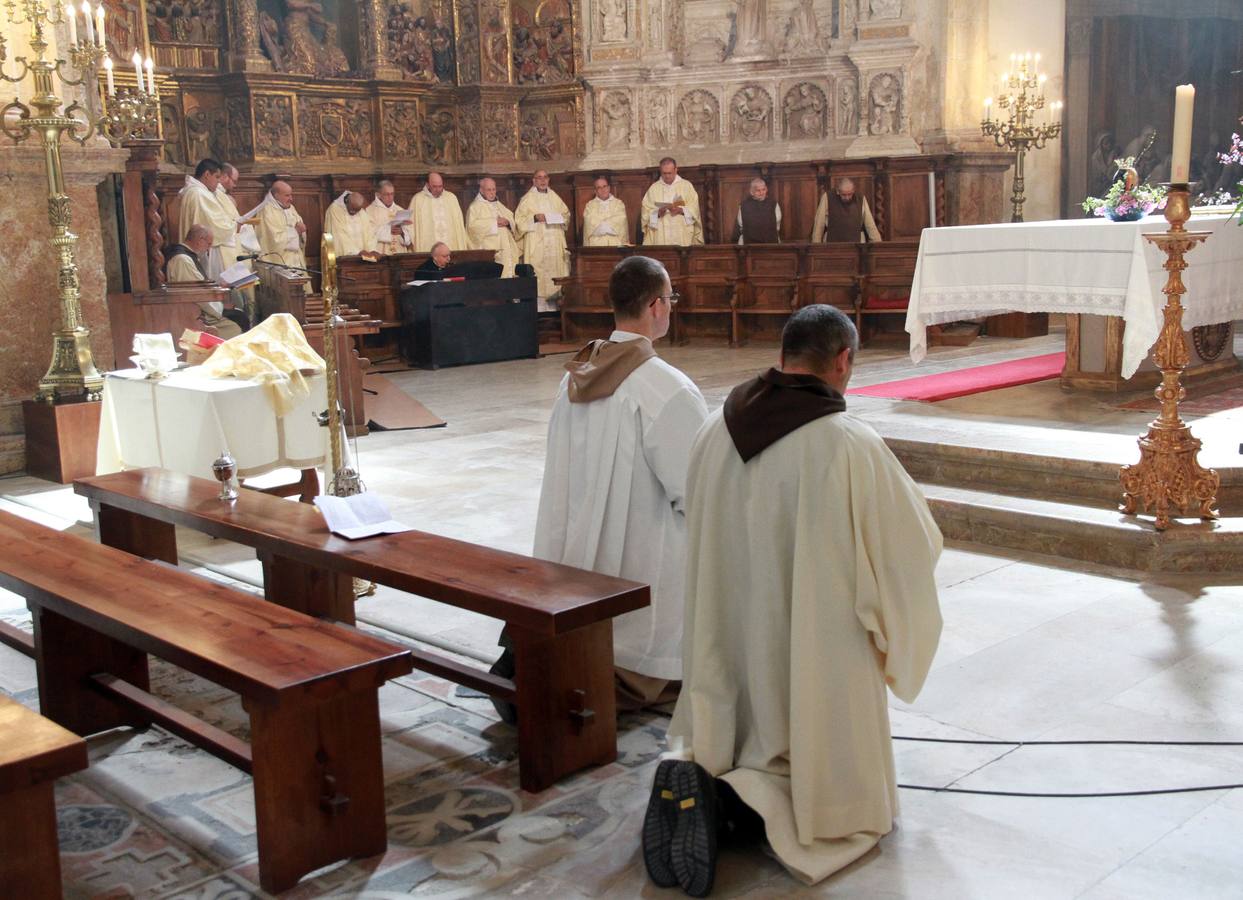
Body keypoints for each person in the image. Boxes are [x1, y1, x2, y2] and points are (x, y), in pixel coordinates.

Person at [644, 305, 941, 896]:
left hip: (728, 636)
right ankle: (768, 799)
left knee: (735, 718)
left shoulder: (714, 427)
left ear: (784, 355)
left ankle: (719, 785)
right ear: (842, 361)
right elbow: (912, 549)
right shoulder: (846, 443)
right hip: (812, 644)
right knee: (814, 728)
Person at [531, 255, 708, 713]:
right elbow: (698, 492)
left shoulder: (573, 377)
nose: (670, 306)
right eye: (670, 299)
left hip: (576, 569)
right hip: (638, 575)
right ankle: (651, 671)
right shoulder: (668, 389)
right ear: (655, 305)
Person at [165, 224, 243, 339]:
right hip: (194, 313)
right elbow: (196, 294)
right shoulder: (183, 260)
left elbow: (199, 285)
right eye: (209, 244)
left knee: (239, 315)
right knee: (235, 327)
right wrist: (221, 309)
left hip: (198, 308)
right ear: (200, 240)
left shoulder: (188, 257)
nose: (208, 248)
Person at [514, 169, 571, 309]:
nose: (543, 180)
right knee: (538, 278)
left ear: (548, 179)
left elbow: (566, 215)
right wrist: (534, 217)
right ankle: (539, 313)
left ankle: (556, 313)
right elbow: (519, 221)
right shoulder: (527, 199)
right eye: (539, 178)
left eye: (545, 177)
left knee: (555, 278)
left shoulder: (555, 197)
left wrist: (556, 218)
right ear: (534, 181)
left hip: (554, 243)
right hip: (536, 244)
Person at [177, 158, 236, 280]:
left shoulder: (192, 191)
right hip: (207, 250)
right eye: (217, 177)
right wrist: (234, 225)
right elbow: (217, 227)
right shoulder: (199, 194)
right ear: (207, 174)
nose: (219, 181)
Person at [641, 158, 703, 246]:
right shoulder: (653, 189)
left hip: (682, 232)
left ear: (676, 170)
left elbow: (694, 208)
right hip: (660, 232)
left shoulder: (686, 186)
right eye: (664, 173)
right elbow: (645, 213)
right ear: (660, 171)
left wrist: (681, 210)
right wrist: (657, 213)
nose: (667, 176)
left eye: (669, 173)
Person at [466, 177, 520, 277]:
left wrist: (507, 222)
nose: (492, 192)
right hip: (492, 251)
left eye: (494, 189)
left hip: (506, 249)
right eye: (488, 190)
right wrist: (494, 223)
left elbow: (511, 219)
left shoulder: (499, 205)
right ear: (481, 190)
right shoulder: (475, 207)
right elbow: (472, 227)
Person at [255, 179, 308, 270]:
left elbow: (300, 233)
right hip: (279, 262)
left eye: (291, 195)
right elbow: (273, 239)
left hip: (296, 260)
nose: (291, 199)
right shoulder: (266, 210)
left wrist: (302, 231)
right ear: (276, 195)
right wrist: (295, 231)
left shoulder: (291, 208)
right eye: (287, 195)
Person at [408, 171, 468, 252]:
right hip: (428, 250)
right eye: (435, 187)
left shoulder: (451, 198)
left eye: (440, 186)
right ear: (427, 185)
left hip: (451, 248)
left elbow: (459, 226)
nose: (438, 190)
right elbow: (410, 226)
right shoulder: (418, 200)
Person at [811, 177, 882, 243]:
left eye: (850, 194)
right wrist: (816, 244)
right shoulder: (827, 197)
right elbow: (819, 223)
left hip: (857, 242)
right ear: (838, 191)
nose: (847, 197)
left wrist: (877, 243)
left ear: (853, 190)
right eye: (844, 195)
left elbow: (869, 224)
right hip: (832, 243)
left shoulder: (860, 198)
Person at [323, 190, 379, 258]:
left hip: (363, 257)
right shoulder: (334, 210)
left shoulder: (362, 212)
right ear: (347, 201)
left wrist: (372, 249)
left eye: (357, 210)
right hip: (345, 258)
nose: (353, 212)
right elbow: (339, 236)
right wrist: (357, 252)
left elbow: (369, 233)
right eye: (352, 209)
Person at [367, 179, 413, 255]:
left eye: (392, 194)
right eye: (387, 194)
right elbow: (369, 234)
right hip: (381, 254)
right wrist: (389, 229)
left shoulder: (400, 210)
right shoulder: (370, 211)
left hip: (399, 253)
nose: (390, 197)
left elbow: (409, 237)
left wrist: (402, 233)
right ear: (378, 194)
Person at [582, 176, 629, 247]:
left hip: (616, 243)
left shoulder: (619, 204)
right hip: (596, 244)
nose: (602, 189)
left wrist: (601, 225)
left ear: (609, 188)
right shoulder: (590, 206)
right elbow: (589, 222)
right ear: (595, 191)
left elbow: (621, 220)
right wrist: (609, 225)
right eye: (599, 187)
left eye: (604, 186)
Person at [731, 177, 782, 244]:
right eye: (758, 190)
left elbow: (777, 223)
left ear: (766, 189)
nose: (761, 193)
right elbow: (741, 224)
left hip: (770, 242)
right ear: (752, 192)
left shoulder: (773, 204)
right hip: (749, 243)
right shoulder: (744, 206)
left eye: (763, 189)